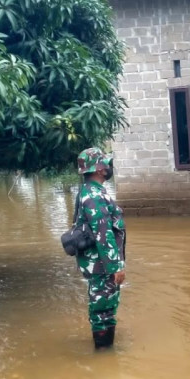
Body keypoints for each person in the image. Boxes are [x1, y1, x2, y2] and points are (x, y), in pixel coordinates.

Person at [75, 147, 126, 349]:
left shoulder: (91, 192)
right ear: (99, 169)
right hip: (102, 263)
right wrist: (116, 267)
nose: (109, 166)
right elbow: (103, 233)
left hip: (99, 261)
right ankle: (104, 354)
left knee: (105, 306)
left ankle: (105, 353)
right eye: (106, 163)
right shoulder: (93, 196)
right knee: (103, 309)